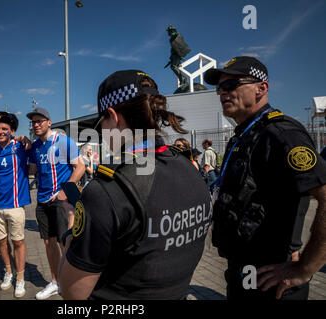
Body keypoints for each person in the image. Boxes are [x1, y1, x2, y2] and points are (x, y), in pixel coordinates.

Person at [59, 69, 212, 300]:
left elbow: (72, 293)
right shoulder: (188, 167)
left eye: (102, 123)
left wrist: (72, 228)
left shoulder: (108, 189)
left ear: (114, 115)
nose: (101, 132)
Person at [204, 56, 326, 300]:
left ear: (262, 88)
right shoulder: (243, 135)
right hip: (243, 272)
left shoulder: (282, 134)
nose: (222, 93)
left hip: (273, 280)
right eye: (219, 88)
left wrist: (305, 268)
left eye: (231, 86)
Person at [27, 107, 85, 300]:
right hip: (42, 200)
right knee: (48, 242)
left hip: (60, 201)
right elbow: (33, 170)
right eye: (33, 122)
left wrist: (64, 190)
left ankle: (71, 282)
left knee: (64, 242)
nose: (36, 125)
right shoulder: (35, 147)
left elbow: (81, 167)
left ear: (49, 122)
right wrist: (19, 145)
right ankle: (55, 281)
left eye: (39, 121)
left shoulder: (63, 141)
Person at [0, 111, 31, 298]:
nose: (1, 131)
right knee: (1, 241)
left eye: (5, 129)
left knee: (18, 241)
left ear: (12, 131)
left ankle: (21, 278)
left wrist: (25, 139)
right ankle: (8, 272)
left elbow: (33, 147)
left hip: (15, 205)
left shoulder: (21, 147)